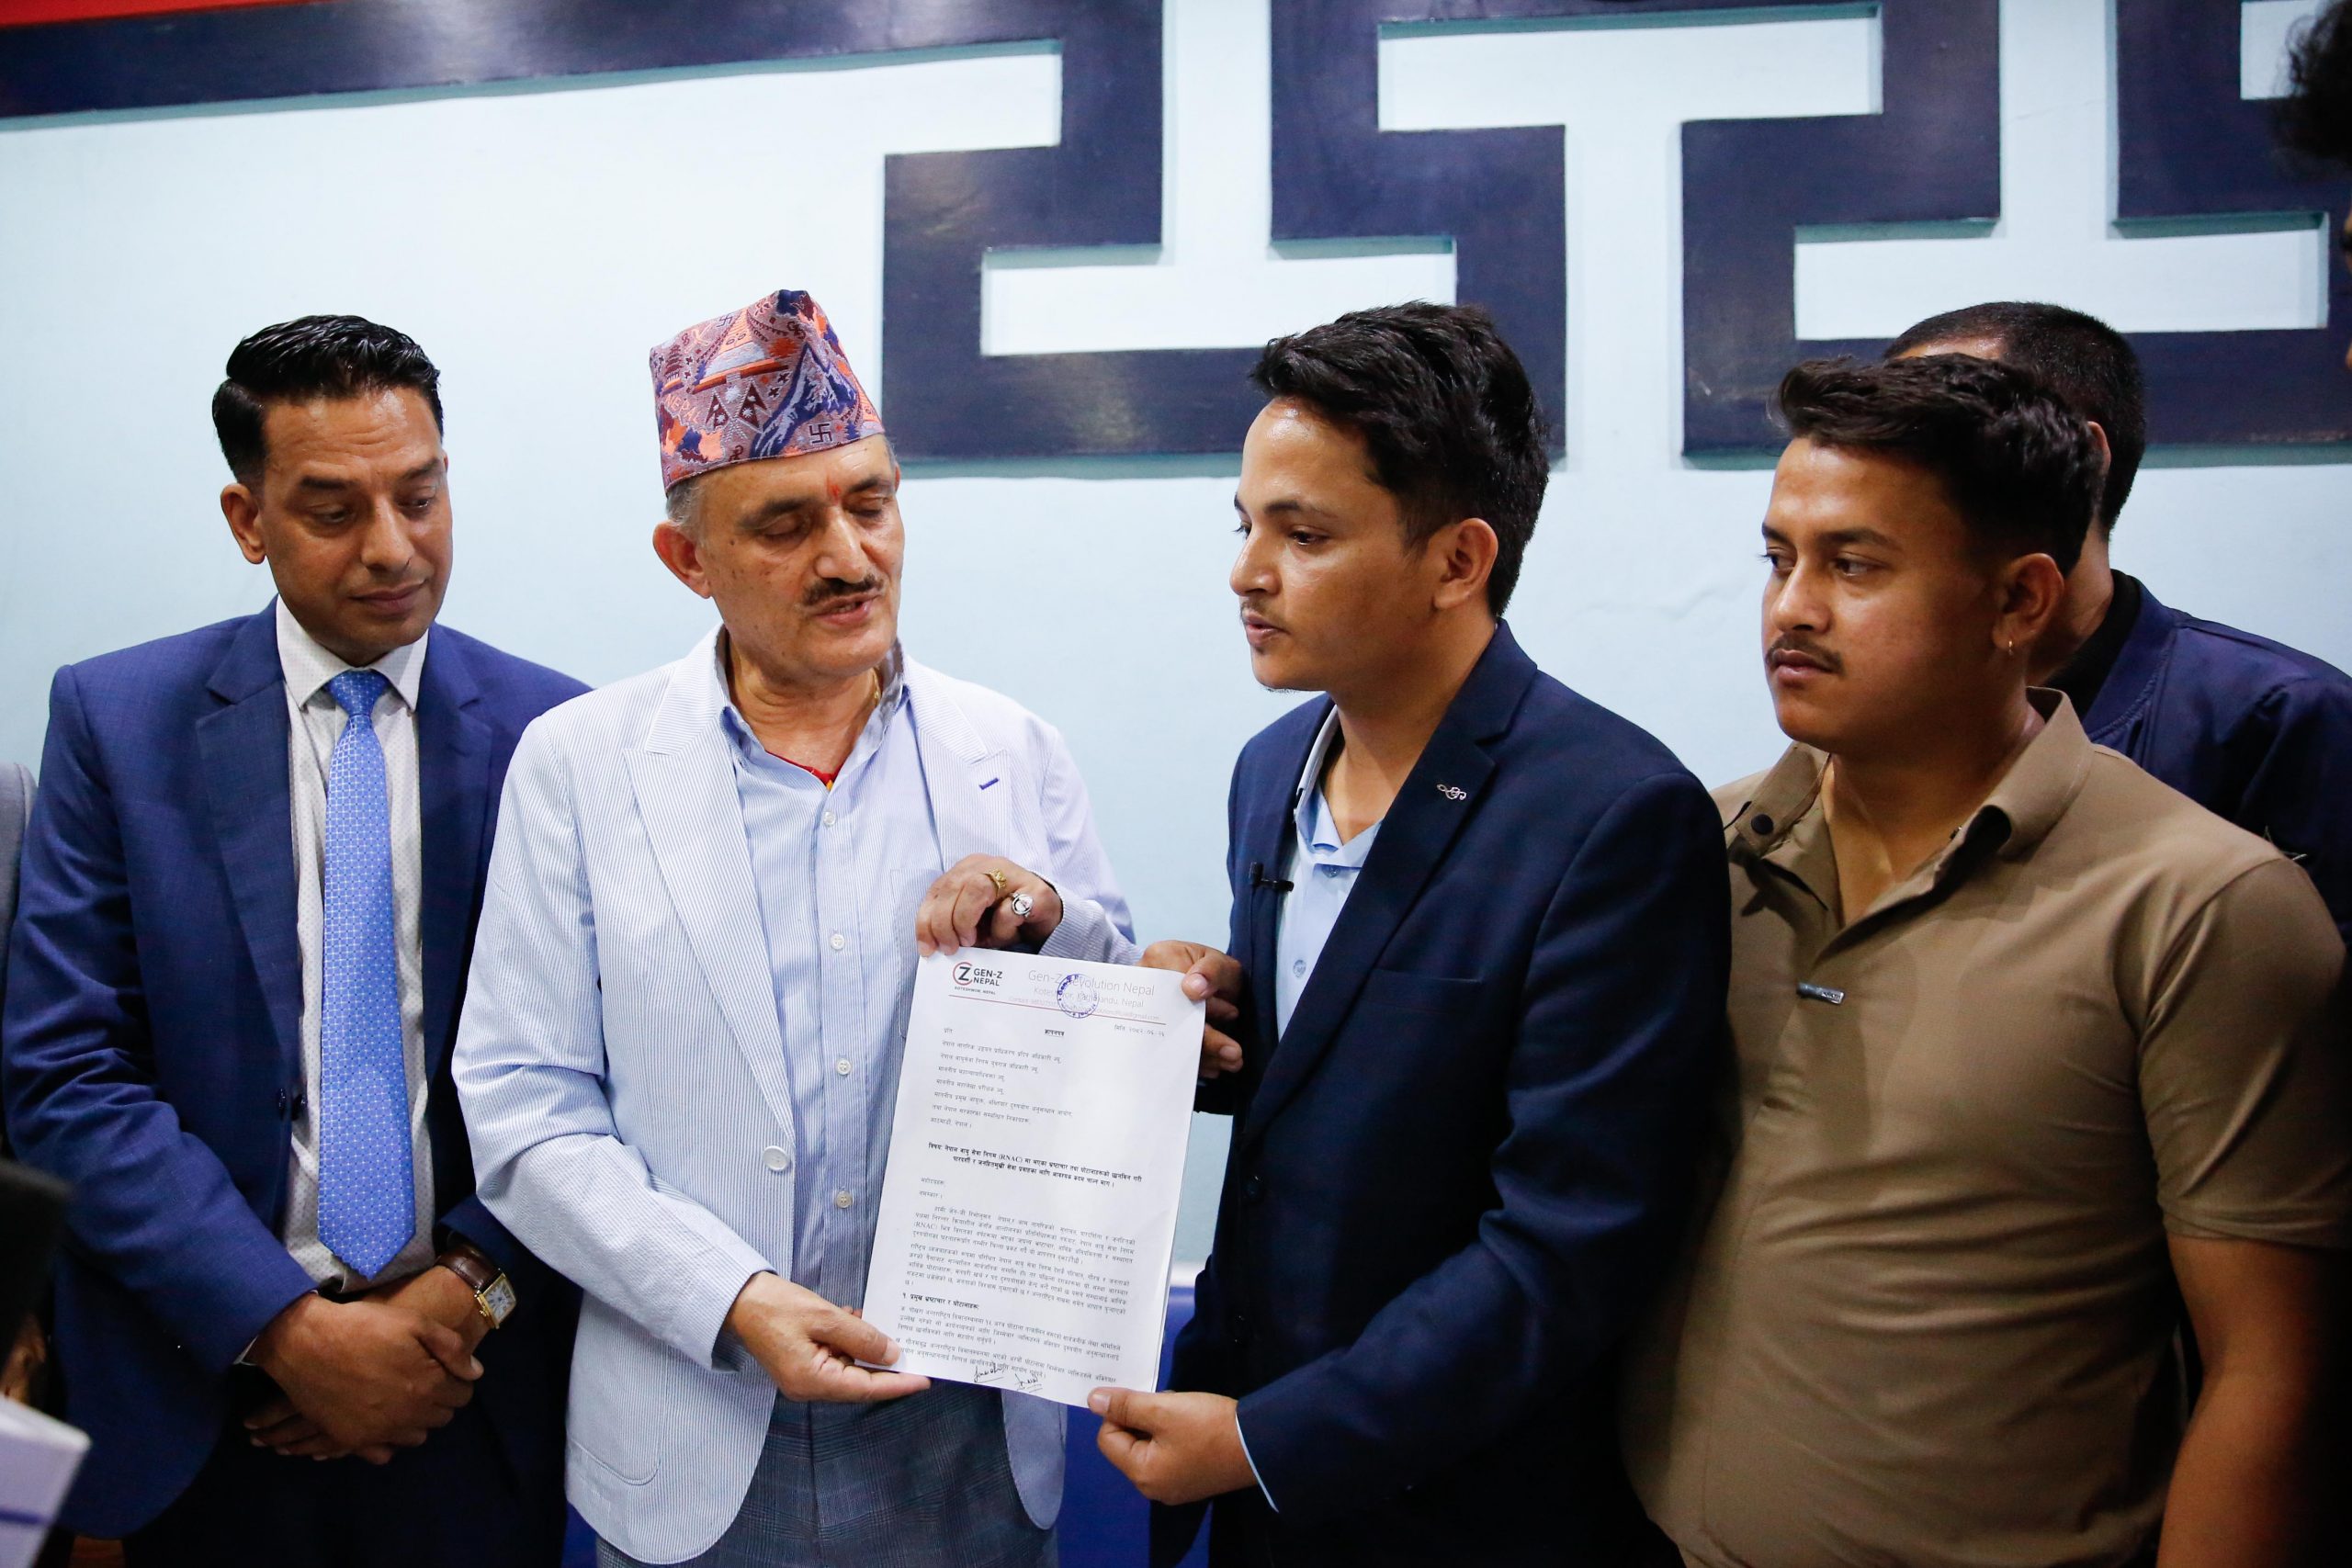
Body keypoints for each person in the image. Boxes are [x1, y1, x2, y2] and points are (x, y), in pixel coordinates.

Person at [1623, 355, 2351, 1567]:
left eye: (1855, 565)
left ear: (2019, 599)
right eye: (1778, 558)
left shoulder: (2200, 905)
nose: (1793, 608)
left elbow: (2272, 1368)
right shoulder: (1699, 849)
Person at [451, 287, 1137, 1568]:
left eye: (870, 503)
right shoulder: (581, 767)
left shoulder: (1011, 750)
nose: (848, 556)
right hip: (698, 1419)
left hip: (969, 1440)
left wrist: (1049, 924)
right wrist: (733, 1298)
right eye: (784, 524)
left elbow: (1113, 1065)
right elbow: (524, 1107)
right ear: (688, 562)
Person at [1084, 303, 1728, 1565]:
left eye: (1304, 534)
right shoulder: (1272, 767)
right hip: (1253, 1479)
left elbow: (1567, 1244)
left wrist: (1274, 1439)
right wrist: (1210, 1031)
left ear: (1457, 559)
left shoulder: (1612, 814)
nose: (1247, 572)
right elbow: (1347, 1073)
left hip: (1462, 1509)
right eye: (1244, 524)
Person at [0, 316, 586, 1564]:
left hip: (472, 1389)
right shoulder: (118, 721)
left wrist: (461, 1295)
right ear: (247, 518)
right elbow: (65, 1073)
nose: (392, 546)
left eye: (419, 496)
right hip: (204, 1390)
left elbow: (603, 1071)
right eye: (331, 509)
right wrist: (288, 1328)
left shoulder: (559, 736)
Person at [1885, 300, 2352, 940]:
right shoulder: (1877, 705)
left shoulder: (2280, 719)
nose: (1883, 479)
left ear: (2080, 458)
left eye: (1933, 438)